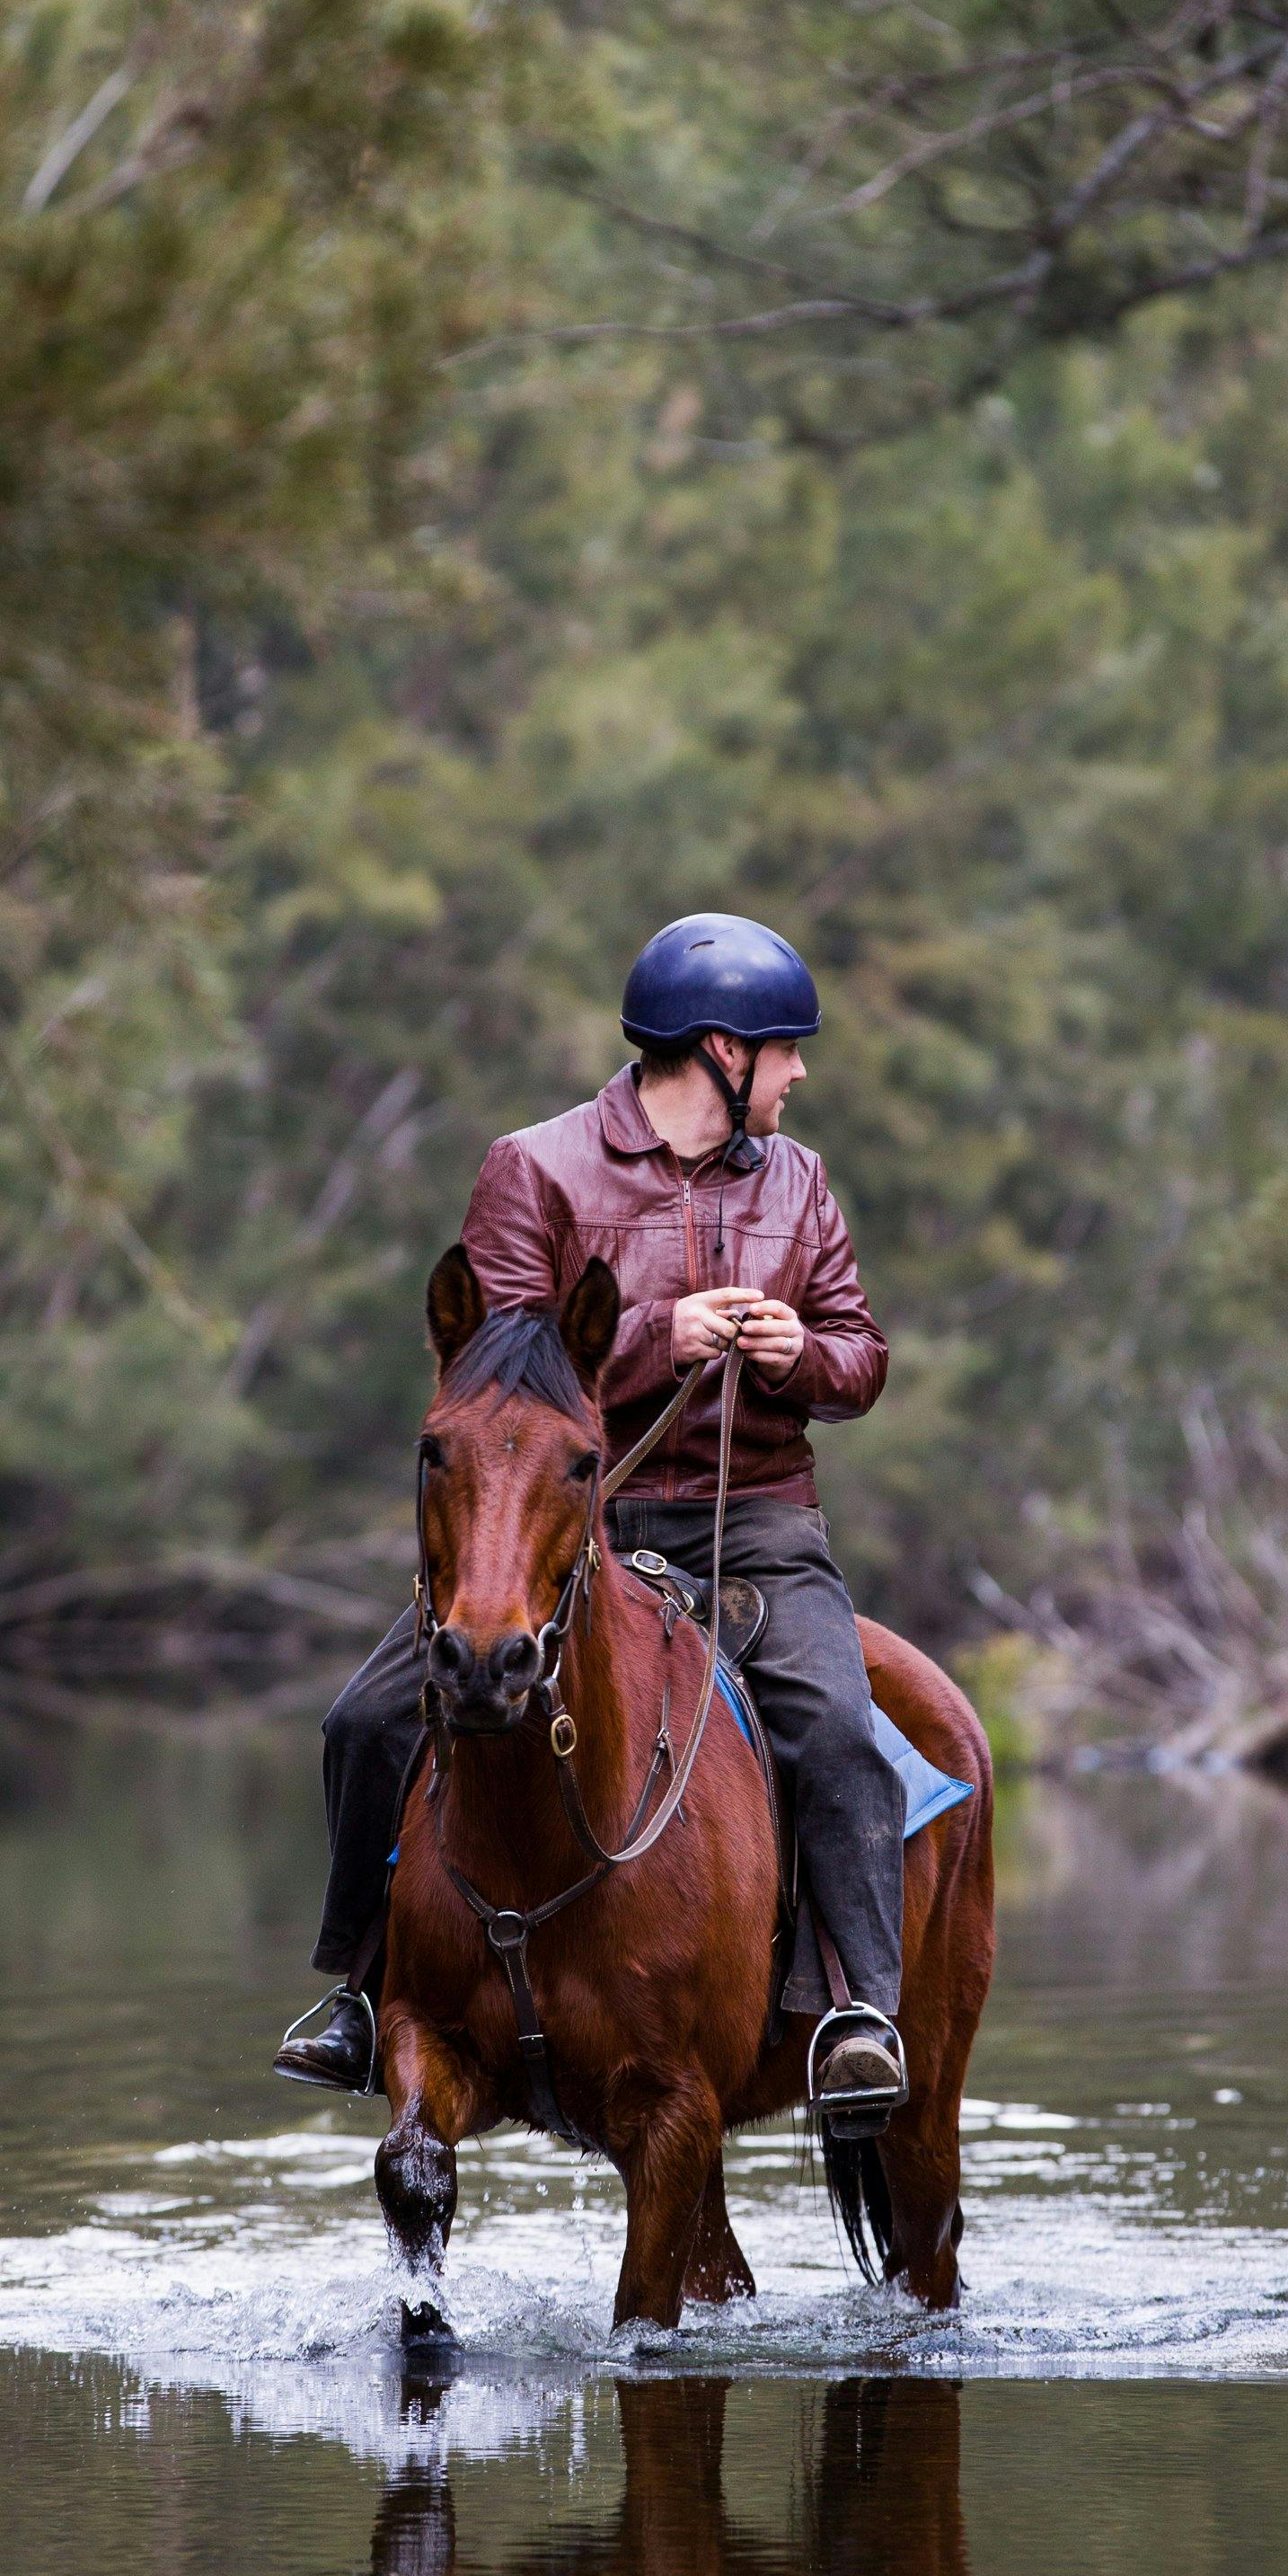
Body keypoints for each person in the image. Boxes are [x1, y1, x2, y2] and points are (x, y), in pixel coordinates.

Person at [278, 911, 908, 2130]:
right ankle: (357, 1993)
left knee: (838, 1731)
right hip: (563, 1526)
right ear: (723, 1051)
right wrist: (659, 1335)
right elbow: (496, 1375)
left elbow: (864, 1358)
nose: (798, 1073)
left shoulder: (800, 1180)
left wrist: (801, 1354)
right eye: (786, 1049)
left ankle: (857, 2018)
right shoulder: (535, 1167)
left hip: (759, 1521)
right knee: (363, 1721)